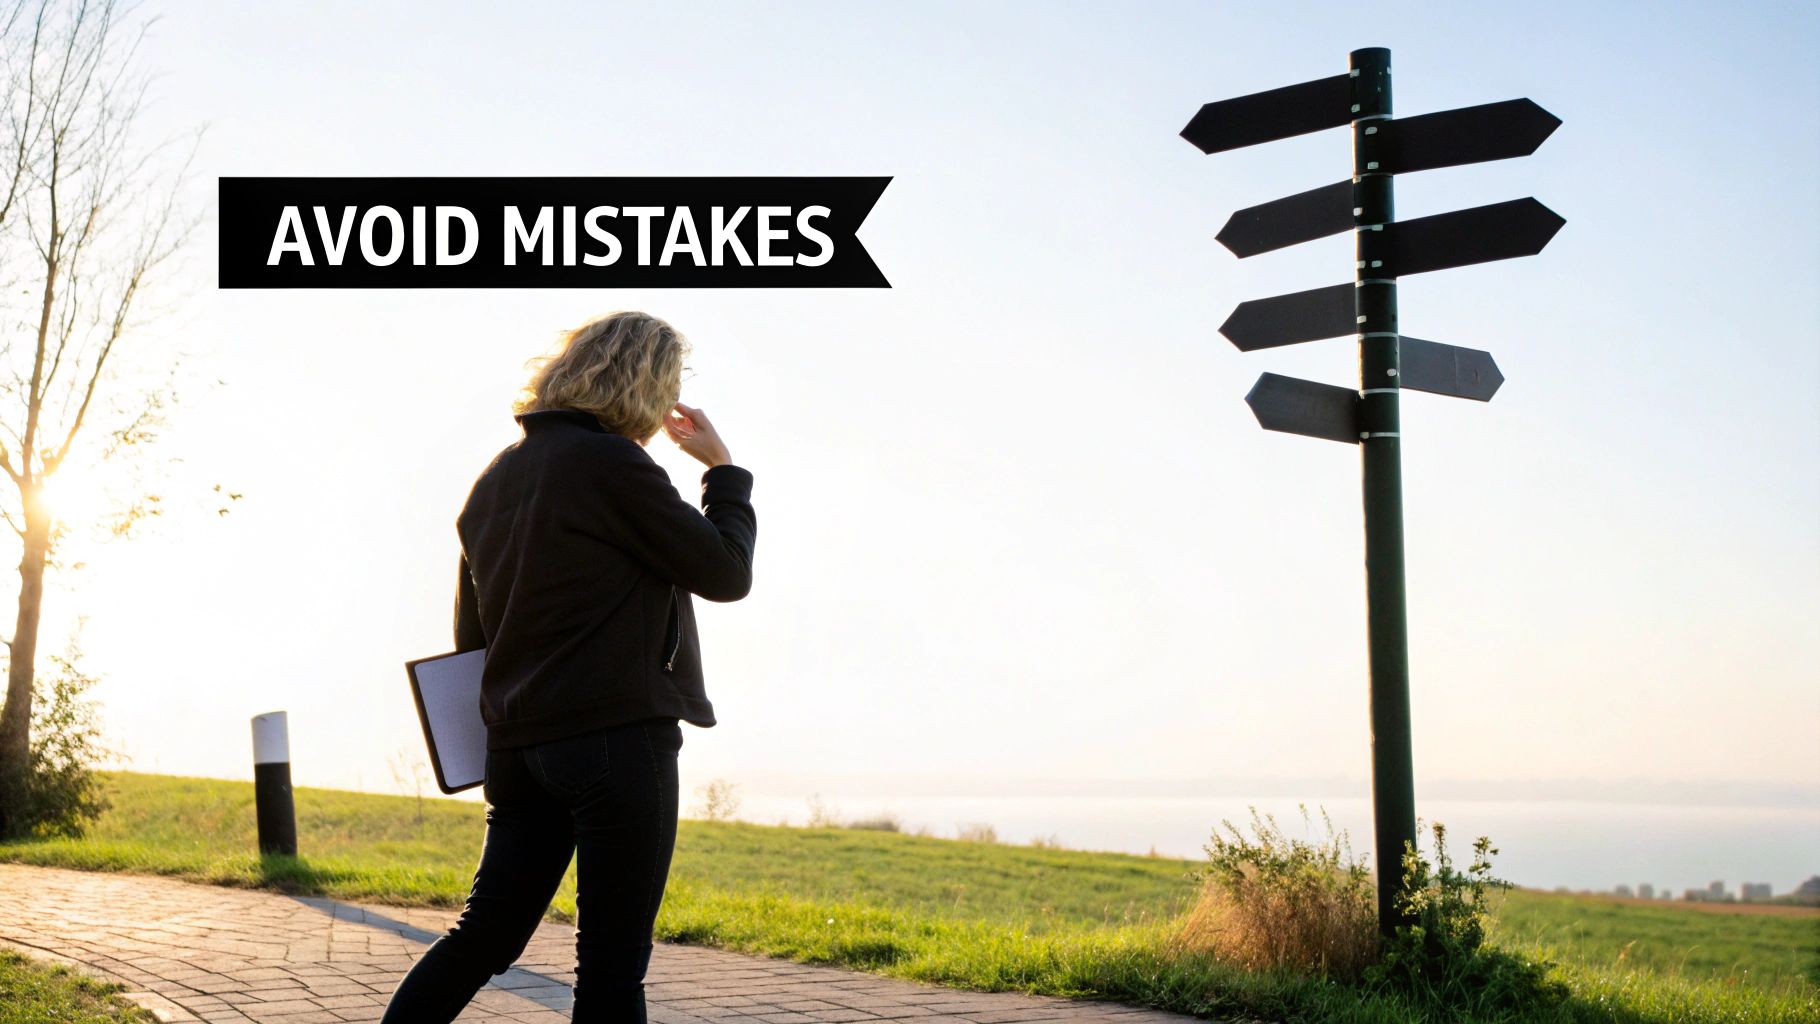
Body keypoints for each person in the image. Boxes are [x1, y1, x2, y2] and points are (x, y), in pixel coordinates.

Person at [381, 310, 757, 1024]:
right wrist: (725, 473)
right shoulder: (614, 466)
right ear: (646, 387)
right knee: (611, 970)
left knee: (482, 935)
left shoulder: (496, 478)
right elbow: (725, 570)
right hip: (617, 742)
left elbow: (474, 636)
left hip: (519, 748)